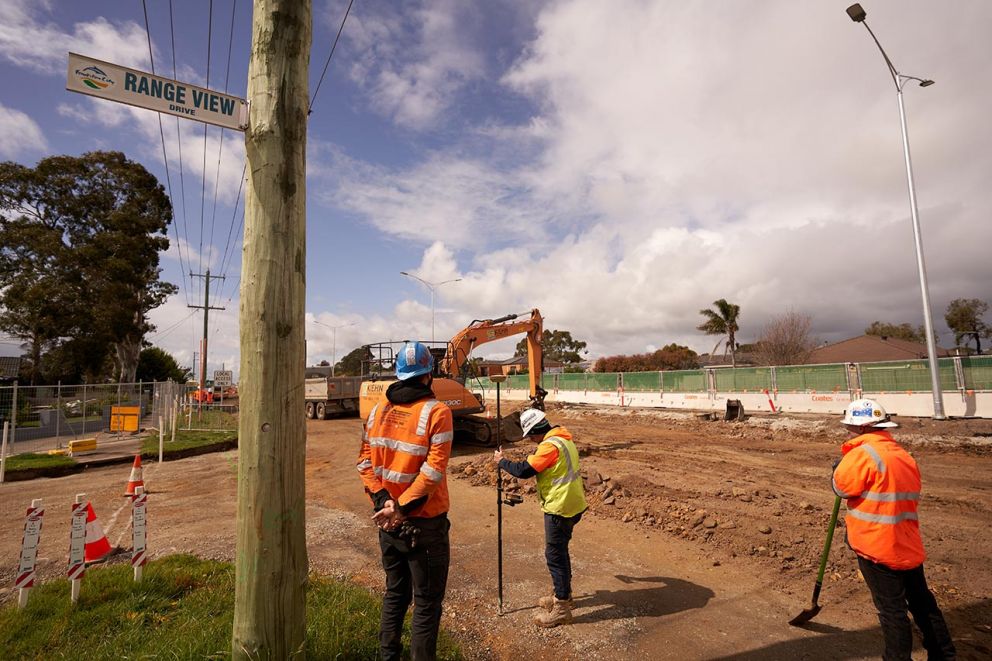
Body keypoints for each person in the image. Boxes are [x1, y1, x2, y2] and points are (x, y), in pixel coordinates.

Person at [831, 398, 955, 660]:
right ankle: (944, 653)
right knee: (922, 602)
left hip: (876, 545)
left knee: (891, 610)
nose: (849, 431)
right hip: (906, 541)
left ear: (862, 427)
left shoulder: (862, 454)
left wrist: (837, 471)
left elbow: (842, 488)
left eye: (851, 426)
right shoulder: (903, 456)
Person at [357, 341, 454, 661]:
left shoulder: (377, 411)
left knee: (395, 594)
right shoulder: (437, 412)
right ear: (429, 375)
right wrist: (400, 508)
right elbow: (432, 473)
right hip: (423, 523)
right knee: (426, 605)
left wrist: (384, 501)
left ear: (399, 374)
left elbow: (364, 463)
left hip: (388, 523)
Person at [493, 407, 587, 627]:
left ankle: (562, 607)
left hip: (560, 507)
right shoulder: (563, 438)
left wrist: (501, 461)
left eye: (531, 436)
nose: (532, 440)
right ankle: (564, 595)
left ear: (536, 431)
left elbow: (525, 470)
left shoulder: (549, 446)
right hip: (572, 503)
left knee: (555, 555)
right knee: (560, 552)